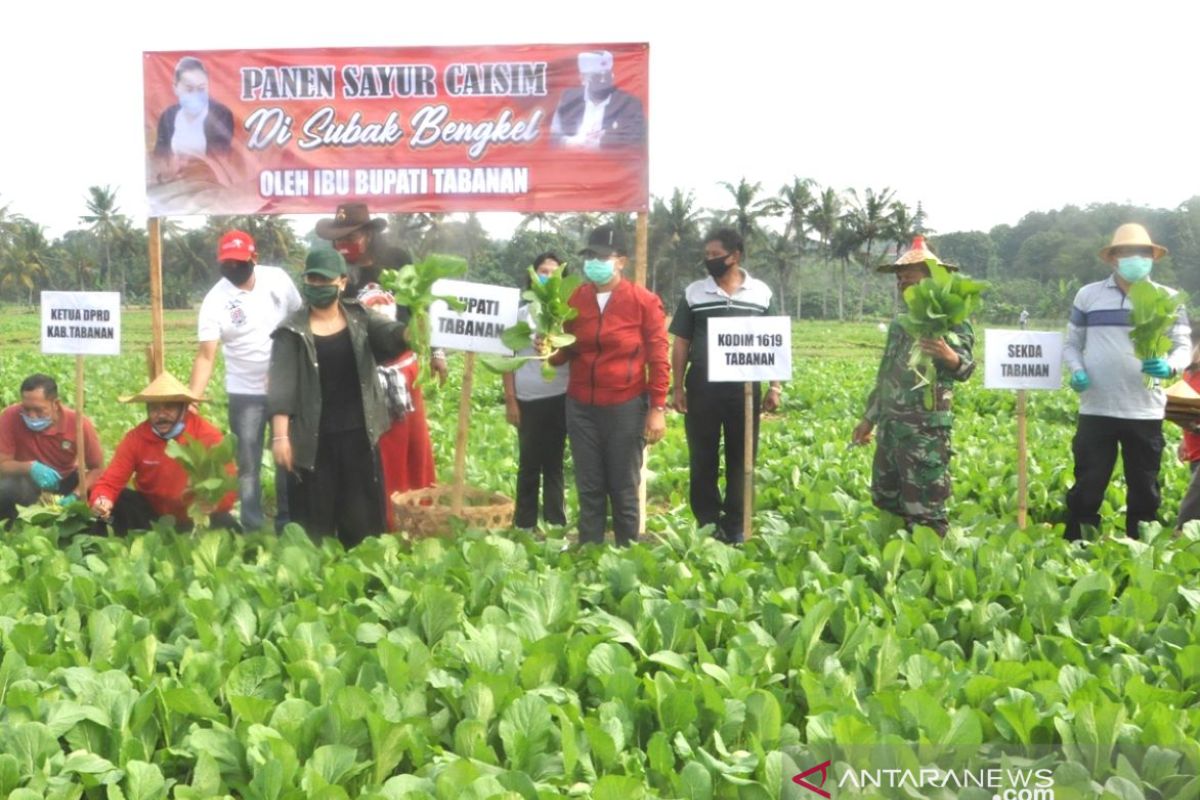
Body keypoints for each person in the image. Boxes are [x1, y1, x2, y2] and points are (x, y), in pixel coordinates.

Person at [268, 248, 411, 547]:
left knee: (362, 523)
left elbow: (392, 335)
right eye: (312, 280)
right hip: (312, 440)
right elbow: (282, 387)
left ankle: (363, 582)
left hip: (359, 436)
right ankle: (314, 585)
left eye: (324, 280)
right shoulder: (291, 331)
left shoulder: (360, 318)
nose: (317, 286)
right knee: (314, 524)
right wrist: (281, 438)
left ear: (343, 282)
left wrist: (413, 331)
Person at [314, 202, 443, 529]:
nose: (343, 246)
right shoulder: (337, 272)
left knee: (411, 446)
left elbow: (419, 308)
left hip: (402, 367)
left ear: (369, 234)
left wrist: (437, 352)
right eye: (337, 240)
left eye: (350, 237)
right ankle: (382, 520)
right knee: (378, 450)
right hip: (361, 373)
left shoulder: (398, 261)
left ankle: (416, 516)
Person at [1063, 223, 1190, 540]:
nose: (1136, 258)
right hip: (1096, 407)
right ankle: (1078, 545)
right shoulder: (1088, 295)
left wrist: (1170, 366)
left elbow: (1184, 346)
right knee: (1088, 482)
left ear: (1153, 258)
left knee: (1144, 486)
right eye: (1128, 252)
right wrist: (1077, 370)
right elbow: (1071, 344)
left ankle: (1140, 545)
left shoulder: (1168, 299)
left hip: (1144, 410)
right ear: (1113, 258)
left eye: (1143, 253)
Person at [549, 225, 669, 545]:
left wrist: (657, 408)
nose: (594, 263)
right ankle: (590, 552)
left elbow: (659, 357)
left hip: (625, 406)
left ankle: (627, 554)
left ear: (621, 262)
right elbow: (565, 353)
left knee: (623, 487)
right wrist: (548, 347)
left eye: (602, 256)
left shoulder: (644, 302)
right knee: (589, 486)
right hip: (581, 406)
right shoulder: (578, 298)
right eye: (589, 256)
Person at [851, 236, 976, 535]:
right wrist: (869, 418)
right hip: (892, 430)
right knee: (887, 502)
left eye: (910, 276)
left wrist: (948, 355)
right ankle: (894, 570)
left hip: (926, 434)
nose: (902, 282)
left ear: (932, 278)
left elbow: (967, 367)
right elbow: (886, 376)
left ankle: (930, 571)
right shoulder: (900, 324)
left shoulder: (952, 319)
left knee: (926, 510)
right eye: (900, 277)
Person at [669, 228, 782, 544]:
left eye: (715, 255)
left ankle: (736, 524)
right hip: (702, 387)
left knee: (742, 457)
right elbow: (681, 342)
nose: (710, 261)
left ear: (735, 256)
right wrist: (678, 387)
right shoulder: (695, 293)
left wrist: (775, 387)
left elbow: (773, 341)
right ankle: (707, 522)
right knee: (702, 457)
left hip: (743, 390)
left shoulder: (760, 293)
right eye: (706, 256)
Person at [189, 230, 302, 531]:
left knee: (286, 456)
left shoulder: (277, 280)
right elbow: (205, 355)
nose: (233, 269)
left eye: (240, 262)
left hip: (285, 386)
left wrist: (284, 367)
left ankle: (288, 522)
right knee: (248, 462)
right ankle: (252, 527)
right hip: (244, 392)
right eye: (227, 263)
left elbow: (300, 320)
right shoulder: (215, 301)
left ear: (255, 258)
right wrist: (193, 400)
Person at [88, 372, 238, 535]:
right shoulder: (136, 438)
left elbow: (228, 485)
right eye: (154, 408)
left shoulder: (207, 435)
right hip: (152, 515)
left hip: (195, 517)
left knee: (227, 526)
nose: (160, 414)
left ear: (184, 407)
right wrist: (102, 500)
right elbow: (109, 482)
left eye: (169, 407)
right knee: (110, 511)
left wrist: (215, 503)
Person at [503, 253, 570, 528]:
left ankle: (556, 526)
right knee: (529, 464)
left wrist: (553, 346)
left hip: (561, 396)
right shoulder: (518, 315)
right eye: (543, 271)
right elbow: (507, 358)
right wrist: (510, 400)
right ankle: (524, 525)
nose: (547, 277)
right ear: (532, 277)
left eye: (554, 273)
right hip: (527, 398)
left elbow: (569, 353)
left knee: (554, 464)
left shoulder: (566, 315)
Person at [0, 374, 104, 523]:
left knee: (109, 500)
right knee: (5, 490)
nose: (32, 416)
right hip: (25, 482)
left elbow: (97, 469)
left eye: (39, 410)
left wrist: (75, 495)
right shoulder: (10, 416)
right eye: (26, 409)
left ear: (55, 404)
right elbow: (2, 464)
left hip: (65, 481)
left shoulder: (78, 423)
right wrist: (30, 467)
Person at [550, 50, 646, 149]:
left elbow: (637, 137)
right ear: (583, 79)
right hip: (574, 159)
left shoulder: (628, 103)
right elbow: (554, 136)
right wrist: (569, 142)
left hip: (610, 162)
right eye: (596, 77)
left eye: (606, 76)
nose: (602, 81)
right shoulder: (569, 98)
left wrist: (603, 141)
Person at [153, 56, 235, 160]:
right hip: (174, 175)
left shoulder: (221, 114)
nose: (196, 94)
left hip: (205, 175)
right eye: (189, 89)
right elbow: (160, 154)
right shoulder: (168, 116)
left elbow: (221, 157)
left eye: (201, 88)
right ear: (175, 88)